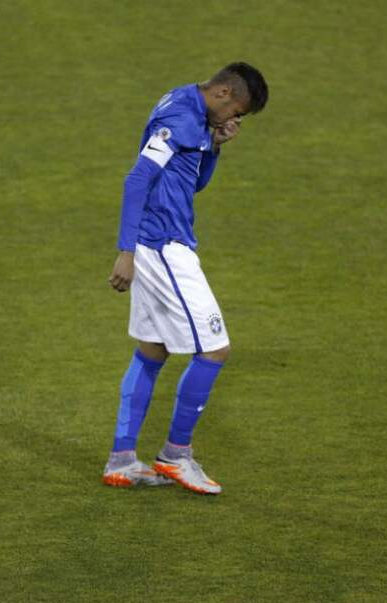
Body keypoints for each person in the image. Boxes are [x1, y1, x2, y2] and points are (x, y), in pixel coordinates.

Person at [102, 62, 269, 495]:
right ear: (225, 93)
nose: (235, 121)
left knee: (153, 350)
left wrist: (214, 147)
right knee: (215, 349)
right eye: (238, 112)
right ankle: (176, 454)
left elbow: (190, 183)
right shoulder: (180, 119)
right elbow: (138, 178)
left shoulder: (188, 104)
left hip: (159, 241)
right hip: (162, 246)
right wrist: (127, 251)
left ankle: (122, 460)